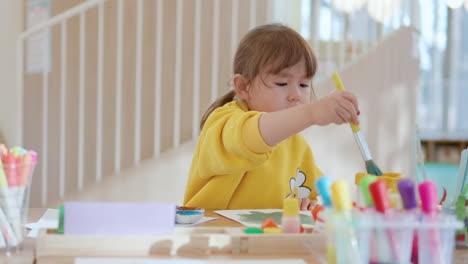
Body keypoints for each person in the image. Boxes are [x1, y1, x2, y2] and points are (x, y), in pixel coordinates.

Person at [183, 24, 359, 210]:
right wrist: (312, 112)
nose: (296, 95)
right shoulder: (225, 122)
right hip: (214, 235)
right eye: (282, 83)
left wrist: (307, 204)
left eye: (304, 85)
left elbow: (310, 194)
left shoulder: (298, 146)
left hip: (265, 238)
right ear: (243, 87)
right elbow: (252, 136)